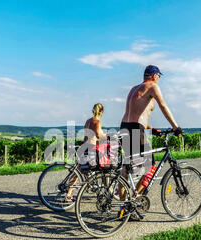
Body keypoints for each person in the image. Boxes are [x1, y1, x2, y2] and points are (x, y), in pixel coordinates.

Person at [119, 65, 183, 200]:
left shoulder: (133, 89)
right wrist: (176, 127)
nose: (159, 79)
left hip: (124, 127)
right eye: (159, 77)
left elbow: (134, 114)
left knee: (127, 167)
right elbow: (163, 106)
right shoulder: (153, 86)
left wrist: (151, 129)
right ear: (154, 76)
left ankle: (123, 206)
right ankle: (133, 201)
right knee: (150, 166)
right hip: (136, 129)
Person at [65, 103, 107, 201]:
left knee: (78, 170)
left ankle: (68, 193)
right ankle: (107, 191)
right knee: (103, 168)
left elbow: (86, 136)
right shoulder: (97, 122)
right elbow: (97, 135)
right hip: (92, 148)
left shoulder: (88, 121)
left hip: (85, 147)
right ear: (102, 112)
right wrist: (107, 136)